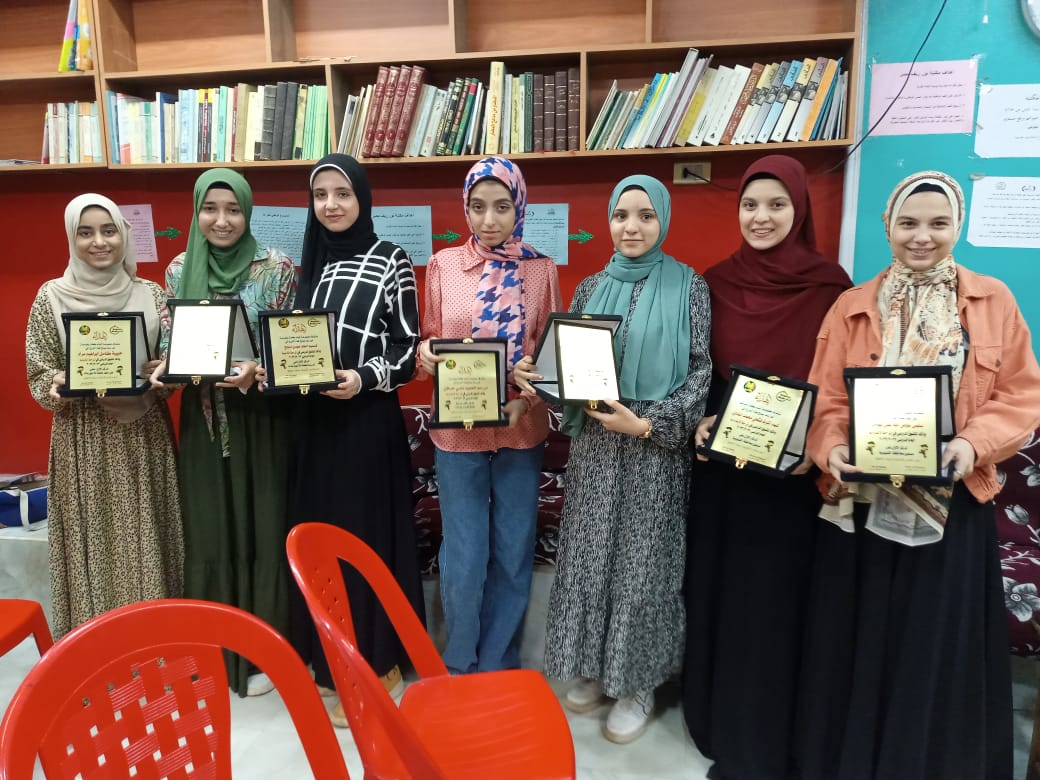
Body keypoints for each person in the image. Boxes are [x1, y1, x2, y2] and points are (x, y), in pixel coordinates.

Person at [796, 170, 1040, 779]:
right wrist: (830, 447)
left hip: (952, 505)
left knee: (933, 643)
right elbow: (825, 397)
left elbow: (1020, 397)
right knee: (861, 639)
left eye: (938, 223)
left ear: (958, 226)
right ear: (888, 226)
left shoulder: (994, 301)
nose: (922, 236)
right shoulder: (852, 305)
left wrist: (972, 445)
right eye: (908, 223)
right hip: (861, 504)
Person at [682, 155, 851, 778]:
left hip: (789, 478)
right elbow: (701, 369)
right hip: (723, 470)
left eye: (777, 205)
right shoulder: (714, 282)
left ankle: (764, 732)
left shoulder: (832, 289)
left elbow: (838, 384)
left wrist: (817, 442)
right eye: (750, 205)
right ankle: (711, 716)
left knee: (773, 602)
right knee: (718, 591)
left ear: (799, 211)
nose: (761, 217)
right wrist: (700, 419)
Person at [536, 174, 711, 745]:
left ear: (663, 220)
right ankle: (592, 666)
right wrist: (543, 380)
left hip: (653, 449)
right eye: (621, 215)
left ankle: (636, 683)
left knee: (643, 566)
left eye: (645, 216)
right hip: (596, 447)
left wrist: (649, 424)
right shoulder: (590, 287)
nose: (631, 227)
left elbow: (701, 371)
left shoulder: (690, 286)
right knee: (590, 559)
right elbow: (566, 366)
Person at [285, 153, 423, 728]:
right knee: (319, 541)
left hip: (366, 423)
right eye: (321, 195)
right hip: (314, 427)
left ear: (362, 198)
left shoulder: (391, 259)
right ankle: (327, 658)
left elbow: (408, 349)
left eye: (342, 193)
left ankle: (375, 661)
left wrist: (363, 378)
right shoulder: (310, 262)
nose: (331, 205)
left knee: (363, 541)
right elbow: (293, 341)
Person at [416, 156, 562, 675]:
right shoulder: (443, 265)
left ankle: (498, 661)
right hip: (457, 433)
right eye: (477, 207)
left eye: (502, 207)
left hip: (521, 429)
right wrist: (426, 354)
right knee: (464, 552)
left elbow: (550, 355)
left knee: (513, 548)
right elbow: (428, 339)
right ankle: (459, 661)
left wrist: (529, 396)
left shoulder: (540, 269)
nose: (489, 220)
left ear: (519, 207)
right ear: (465, 208)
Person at [153, 169, 296, 697]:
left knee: (263, 526)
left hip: (262, 422)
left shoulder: (276, 267)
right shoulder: (178, 269)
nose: (221, 220)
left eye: (233, 209)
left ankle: (263, 655)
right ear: (196, 213)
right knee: (211, 529)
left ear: (247, 212)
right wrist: (165, 368)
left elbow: (292, 348)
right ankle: (212, 651)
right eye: (210, 209)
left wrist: (259, 370)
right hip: (204, 421)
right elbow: (170, 347)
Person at [26, 193, 183, 637]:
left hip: (143, 437)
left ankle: (155, 641)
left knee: (148, 537)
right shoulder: (50, 297)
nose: (99, 242)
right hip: (83, 439)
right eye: (86, 232)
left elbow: (170, 365)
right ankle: (96, 644)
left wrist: (164, 374)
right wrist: (56, 384)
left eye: (109, 230)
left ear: (123, 235)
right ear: (71, 238)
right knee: (91, 542)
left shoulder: (151, 294)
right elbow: (38, 373)